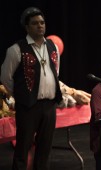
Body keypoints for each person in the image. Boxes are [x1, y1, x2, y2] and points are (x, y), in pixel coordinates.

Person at [0, 7, 62, 170]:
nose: (40, 26)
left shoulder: (52, 46)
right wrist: (21, 95)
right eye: (35, 23)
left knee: (45, 149)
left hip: (49, 106)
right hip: (28, 107)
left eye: (42, 22)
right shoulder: (16, 49)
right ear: (27, 27)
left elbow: (55, 72)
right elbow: (5, 77)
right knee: (22, 148)